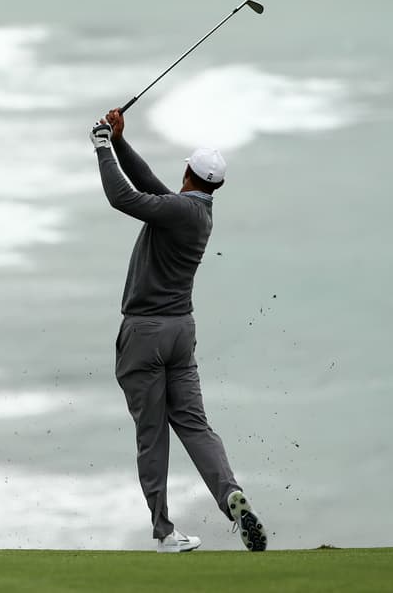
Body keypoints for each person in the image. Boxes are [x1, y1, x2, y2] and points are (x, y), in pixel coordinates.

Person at [90, 108, 267, 553]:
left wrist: (101, 146)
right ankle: (230, 495)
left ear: (187, 173)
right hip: (180, 334)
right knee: (194, 424)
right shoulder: (195, 214)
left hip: (145, 335)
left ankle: (165, 531)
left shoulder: (177, 211)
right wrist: (120, 141)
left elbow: (124, 199)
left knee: (152, 435)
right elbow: (148, 185)